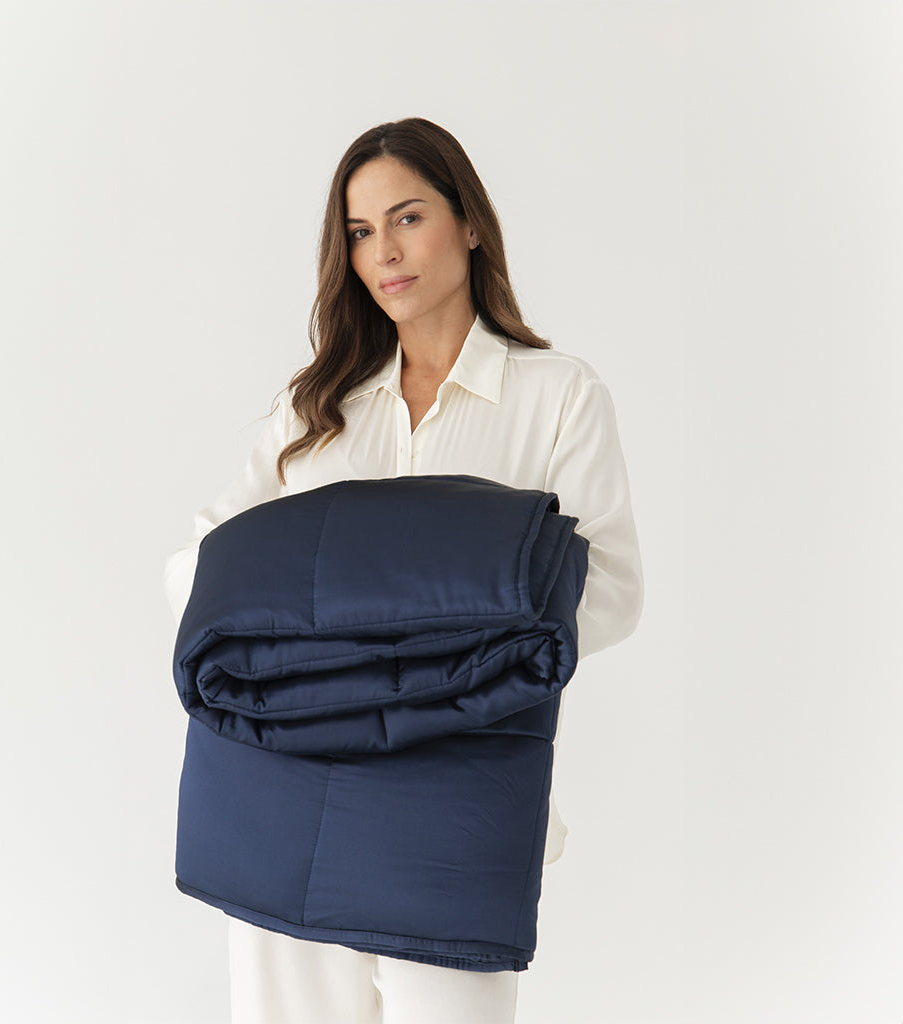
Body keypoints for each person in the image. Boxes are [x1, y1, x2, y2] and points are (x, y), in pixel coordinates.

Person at [164, 116, 644, 1024]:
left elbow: (610, 586)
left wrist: (362, 616)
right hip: (286, 790)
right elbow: (198, 571)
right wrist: (441, 589)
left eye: (407, 217)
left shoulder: (558, 397)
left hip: (455, 804)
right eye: (359, 232)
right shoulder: (316, 410)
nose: (383, 251)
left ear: (469, 222)